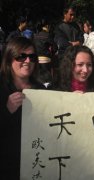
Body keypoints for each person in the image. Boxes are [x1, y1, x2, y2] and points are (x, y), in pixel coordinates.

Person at [0, 37, 46, 179]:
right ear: (9, 59)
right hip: (6, 167)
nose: (27, 61)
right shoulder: (1, 87)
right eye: (21, 56)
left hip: (36, 163)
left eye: (32, 57)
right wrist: (6, 110)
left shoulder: (41, 89)